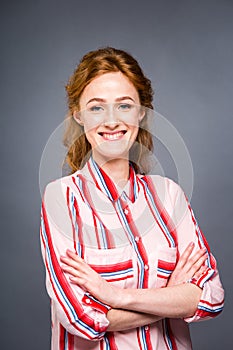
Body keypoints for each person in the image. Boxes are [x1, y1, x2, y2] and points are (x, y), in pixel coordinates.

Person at [40, 47, 224, 350]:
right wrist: (173, 295)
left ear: (141, 112)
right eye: (97, 108)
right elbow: (80, 318)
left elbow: (211, 296)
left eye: (124, 106)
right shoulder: (61, 198)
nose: (111, 121)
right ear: (79, 116)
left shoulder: (170, 196)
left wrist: (116, 297)